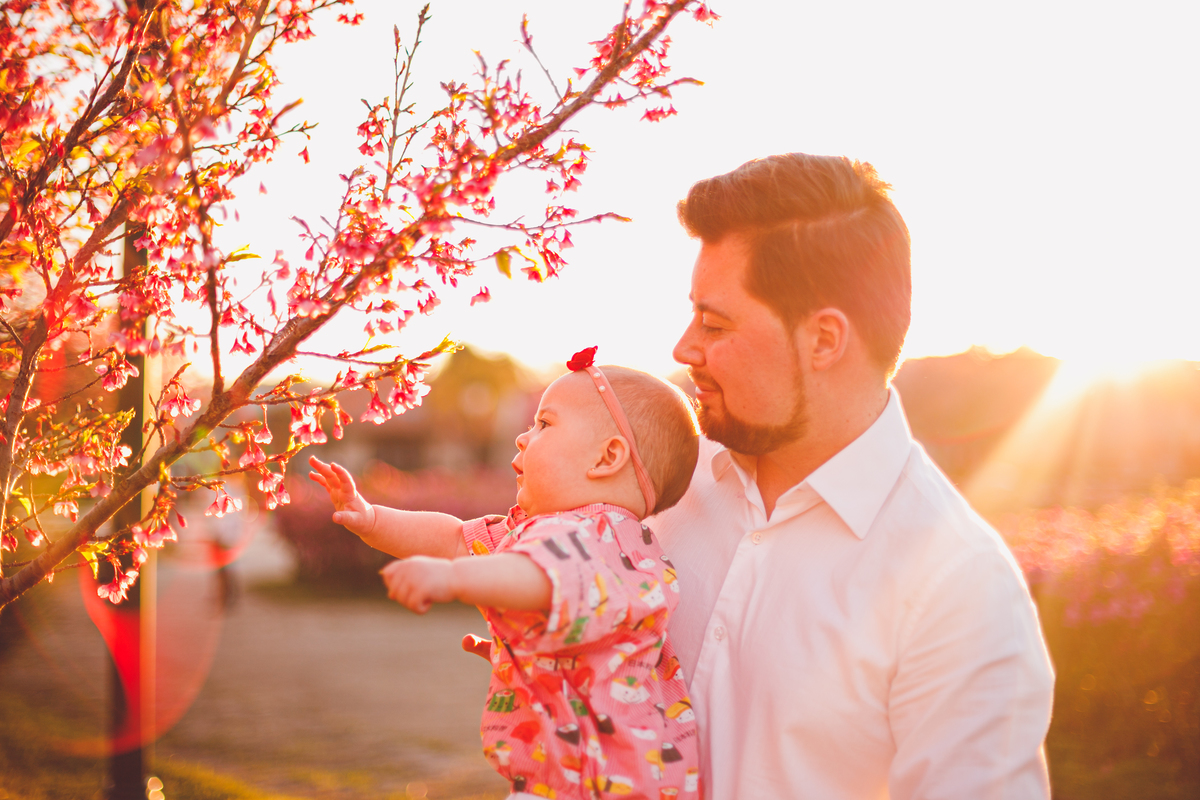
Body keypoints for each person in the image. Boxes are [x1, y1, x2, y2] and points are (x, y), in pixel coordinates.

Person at [651, 153, 1056, 799]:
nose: (683, 348)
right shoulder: (662, 486)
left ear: (823, 340)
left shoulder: (959, 588)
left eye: (715, 322)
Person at [308, 349, 703, 800]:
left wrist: (453, 580)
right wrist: (374, 518)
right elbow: (457, 539)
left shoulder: (600, 536)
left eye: (545, 425)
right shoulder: (549, 531)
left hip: (593, 784)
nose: (522, 437)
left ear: (606, 458)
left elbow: (542, 576)